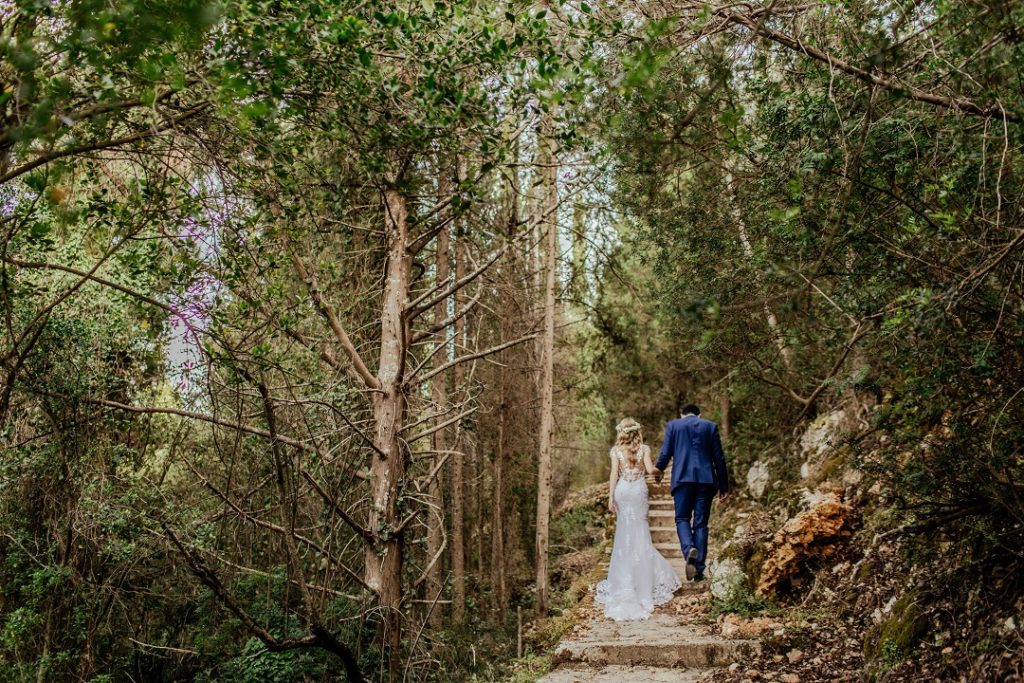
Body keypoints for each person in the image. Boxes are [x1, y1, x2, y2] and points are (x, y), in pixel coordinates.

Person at [595, 418, 681, 621]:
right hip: (638, 491)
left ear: (621, 433)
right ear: (637, 432)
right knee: (641, 533)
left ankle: (624, 581)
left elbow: (614, 474)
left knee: (624, 535)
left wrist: (610, 497)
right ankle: (643, 586)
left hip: (623, 491)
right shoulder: (645, 449)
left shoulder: (616, 451)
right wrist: (661, 472)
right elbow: (651, 471)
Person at [652, 403, 730, 582]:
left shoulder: (673, 426)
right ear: (699, 415)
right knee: (701, 524)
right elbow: (719, 458)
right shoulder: (710, 427)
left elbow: (666, 453)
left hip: (682, 480)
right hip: (706, 481)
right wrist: (724, 487)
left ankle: (688, 551)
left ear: (682, 414)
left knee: (682, 518)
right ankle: (699, 571)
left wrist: (659, 471)